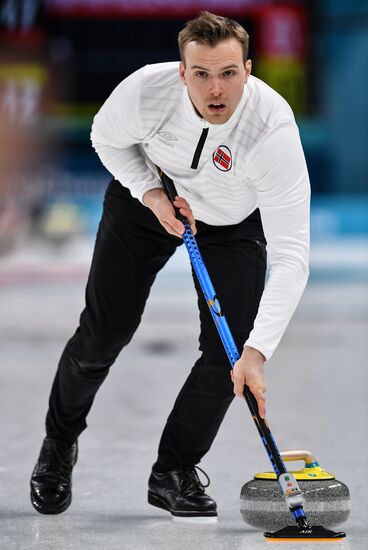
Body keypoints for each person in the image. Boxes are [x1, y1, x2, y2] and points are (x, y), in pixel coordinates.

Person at [30, 11, 310, 519]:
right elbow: (105, 137)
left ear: (248, 69)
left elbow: (292, 255)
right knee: (103, 333)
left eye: (228, 73)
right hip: (147, 199)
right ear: (182, 72)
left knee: (229, 357)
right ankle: (58, 444)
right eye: (200, 74)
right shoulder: (146, 91)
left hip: (231, 221)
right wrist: (153, 195)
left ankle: (173, 472)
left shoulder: (273, 131)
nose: (215, 88)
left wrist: (258, 352)